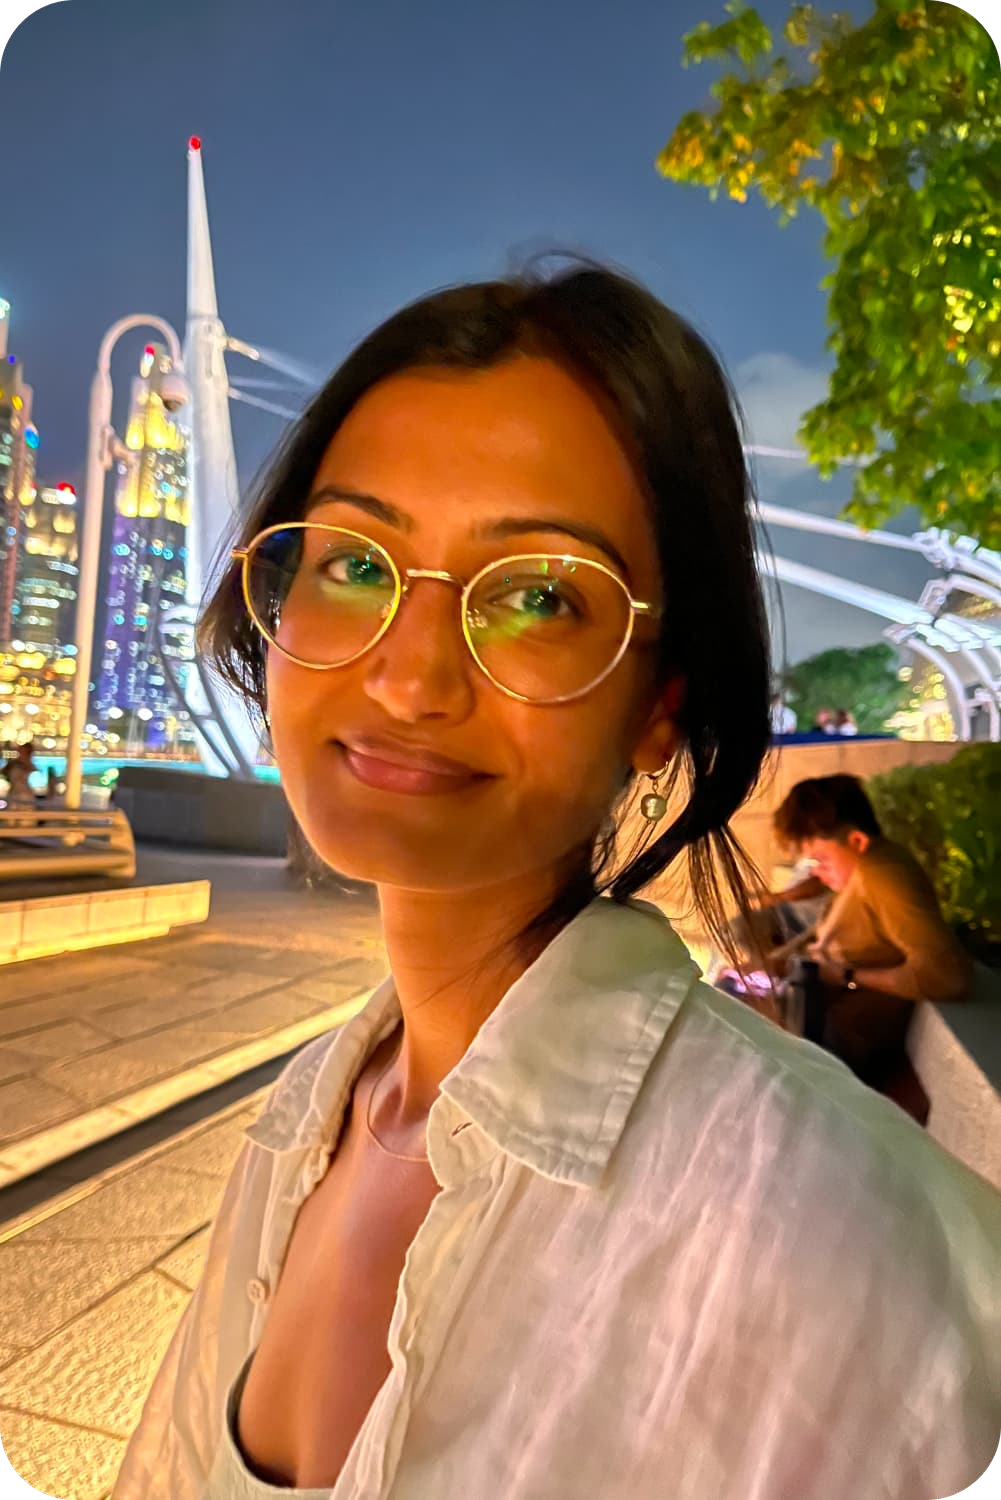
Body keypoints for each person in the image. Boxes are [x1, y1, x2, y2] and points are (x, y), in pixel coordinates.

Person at [112, 266, 999, 1500]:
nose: (410, 678)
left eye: (536, 596)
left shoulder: (859, 1260)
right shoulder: (300, 1121)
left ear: (656, 707)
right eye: (356, 564)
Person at [772, 774, 973, 1089]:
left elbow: (947, 976)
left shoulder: (883, 876)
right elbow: (824, 929)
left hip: (838, 1037)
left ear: (856, 840)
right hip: (814, 999)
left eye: (822, 859)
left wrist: (848, 976)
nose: (817, 871)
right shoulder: (864, 866)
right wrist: (775, 959)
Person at [1, 740, 38, 808]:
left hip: (25, 794)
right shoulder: (13, 763)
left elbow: (32, 771)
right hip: (13, 793)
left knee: (25, 815)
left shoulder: (28, 763)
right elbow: (4, 772)